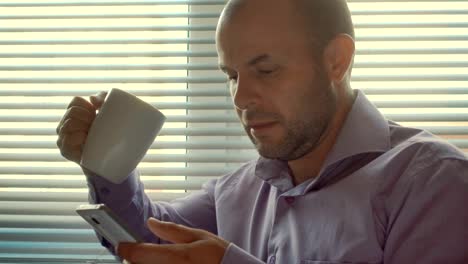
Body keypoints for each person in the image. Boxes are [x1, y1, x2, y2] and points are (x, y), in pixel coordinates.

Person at [56, 0, 468, 263]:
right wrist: (105, 160)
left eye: (265, 70)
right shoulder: (237, 191)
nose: (240, 98)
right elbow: (150, 237)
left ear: (336, 61)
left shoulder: (435, 184)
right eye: (231, 75)